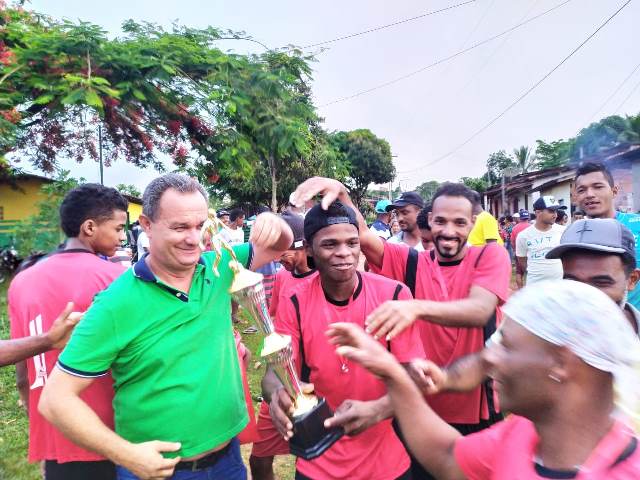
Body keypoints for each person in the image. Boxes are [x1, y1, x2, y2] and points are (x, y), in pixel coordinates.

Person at [38, 173, 293, 480]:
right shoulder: (116, 303)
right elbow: (55, 400)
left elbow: (280, 245)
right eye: (180, 227)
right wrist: (126, 454)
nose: (193, 238)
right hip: (160, 472)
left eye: (200, 226)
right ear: (147, 225)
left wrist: (276, 225)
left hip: (228, 462)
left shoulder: (221, 266)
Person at [291, 178, 511, 479]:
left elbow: (479, 309)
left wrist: (416, 307)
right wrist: (340, 191)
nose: (449, 230)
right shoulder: (410, 262)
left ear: (473, 223)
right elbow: (360, 235)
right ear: (429, 219)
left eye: (460, 222)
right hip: (415, 408)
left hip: (475, 408)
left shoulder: (489, 255)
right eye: (441, 220)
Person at [328, 279, 640, 479]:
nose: (488, 358)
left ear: (561, 362)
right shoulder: (521, 434)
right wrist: (392, 372)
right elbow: (449, 457)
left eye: (507, 346)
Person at [264, 201, 425, 480]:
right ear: (310, 249)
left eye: (352, 242)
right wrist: (277, 393)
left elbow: (416, 377)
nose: (344, 253)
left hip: (387, 461)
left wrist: (379, 409)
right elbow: (273, 373)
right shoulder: (295, 301)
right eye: (330, 244)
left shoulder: (395, 295)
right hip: (319, 461)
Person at [413, 218, 640, 397]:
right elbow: (488, 360)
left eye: (601, 283)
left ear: (632, 280)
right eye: (572, 282)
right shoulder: (540, 322)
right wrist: (445, 378)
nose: (585, 296)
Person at [9, 183, 129, 480]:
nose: (123, 236)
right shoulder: (119, 280)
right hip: (111, 435)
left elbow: (23, 374)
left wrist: (41, 434)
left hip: (54, 436)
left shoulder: (22, 281)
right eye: (118, 227)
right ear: (89, 227)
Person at [249, 210, 318, 480]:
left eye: (284, 252)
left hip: (311, 386)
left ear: (302, 246)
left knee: (313, 460)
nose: (278, 259)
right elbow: (275, 321)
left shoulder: (325, 280)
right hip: (279, 381)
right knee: (259, 459)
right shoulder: (282, 277)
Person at [574, 161, 640, 308]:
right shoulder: (574, 235)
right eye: (581, 190)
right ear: (576, 197)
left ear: (614, 191)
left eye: (598, 187)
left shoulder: (637, 224)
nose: (589, 194)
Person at [515, 196, 565, 287]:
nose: (555, 215)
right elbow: (522, 261)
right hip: (535, 287)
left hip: (559, 286)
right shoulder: (523, 236)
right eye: (551, 211)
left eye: (556, 211)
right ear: (538, 212)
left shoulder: (563, 231)